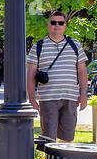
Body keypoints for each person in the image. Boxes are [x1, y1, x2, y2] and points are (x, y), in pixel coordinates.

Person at [25, 10, 88, 142]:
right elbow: (30, 74)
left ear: (65, 25)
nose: (57, 25)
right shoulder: (38, 46)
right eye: (53, 22)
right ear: (48, 25)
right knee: (48, 138)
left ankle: (62, 157)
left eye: (60, 23)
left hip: (71, 97)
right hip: (48, 98)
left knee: (67, 138)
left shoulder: (75, 44)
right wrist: (31, 99)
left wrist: (83, 94)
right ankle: (50, 157)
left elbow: (82, 71)